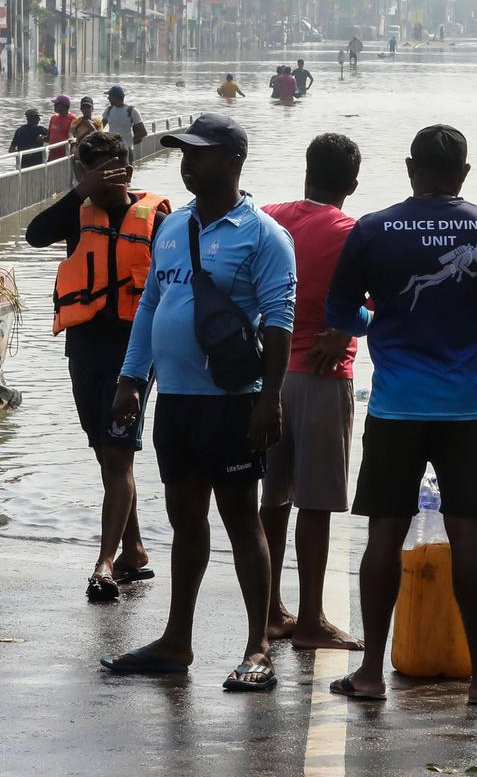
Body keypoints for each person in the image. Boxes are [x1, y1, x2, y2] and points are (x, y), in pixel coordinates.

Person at [324, 124, 477, 705]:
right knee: (471, 538)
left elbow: (340, 312)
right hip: (468, 408)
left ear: (411, 168)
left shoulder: (373, 229)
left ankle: (370, 673)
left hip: (395, 407)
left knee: (385, 534)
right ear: (463, 173)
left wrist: (379, 328)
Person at [103, 113, 296, 692]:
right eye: (183, 152)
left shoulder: (263, 234)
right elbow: (150, 307)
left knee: (241, 518)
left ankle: (257, 645)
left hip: (233, 402)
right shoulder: (172, 226)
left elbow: (281, 323)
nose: (187, 162)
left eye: (200, 153)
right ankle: (177, 640)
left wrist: (269, 398)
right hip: (178, 402)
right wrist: (133, 378)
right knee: (186, 518)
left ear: (233, 161)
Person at [26, 130, 171, 602]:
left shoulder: (157, 216)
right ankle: (134, 549)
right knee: (103, 450)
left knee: (117, 450)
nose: (110, 177)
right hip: (84, 347)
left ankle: (105, 562)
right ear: (83, 172)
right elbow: (33, 235)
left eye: (116, 167)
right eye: (96, 170)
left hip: (133, 349)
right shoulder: (77, 214)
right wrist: (80, 191)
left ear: (128, 168)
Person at [262, 134, 366, 651]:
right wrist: (348, 330)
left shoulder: (267, 216)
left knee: (272, 498)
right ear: (351, 183)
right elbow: (384, 306)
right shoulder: (352, 232)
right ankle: (309, 621)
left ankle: (267, 609)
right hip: (322, 378)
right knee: (316, 505)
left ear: (307, 170)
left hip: (266, 379)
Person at [102, 86, 147, 163]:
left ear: (116, 97)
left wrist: (132, 140)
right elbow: (100, 127)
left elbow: (143, 132)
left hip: (126, 151)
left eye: (110, 96)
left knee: (126, 173)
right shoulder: (109, 110)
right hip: (112, 150)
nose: (108, 98)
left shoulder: (131, 111)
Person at [47, 95, 77, 161]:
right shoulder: (53, 118)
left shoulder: (73, 119)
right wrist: (41, 138)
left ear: (64, 106)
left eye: (56, 104)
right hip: (52, 156)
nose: (54, 105)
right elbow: (48, 138)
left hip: (65, 156)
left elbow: (74, 139)